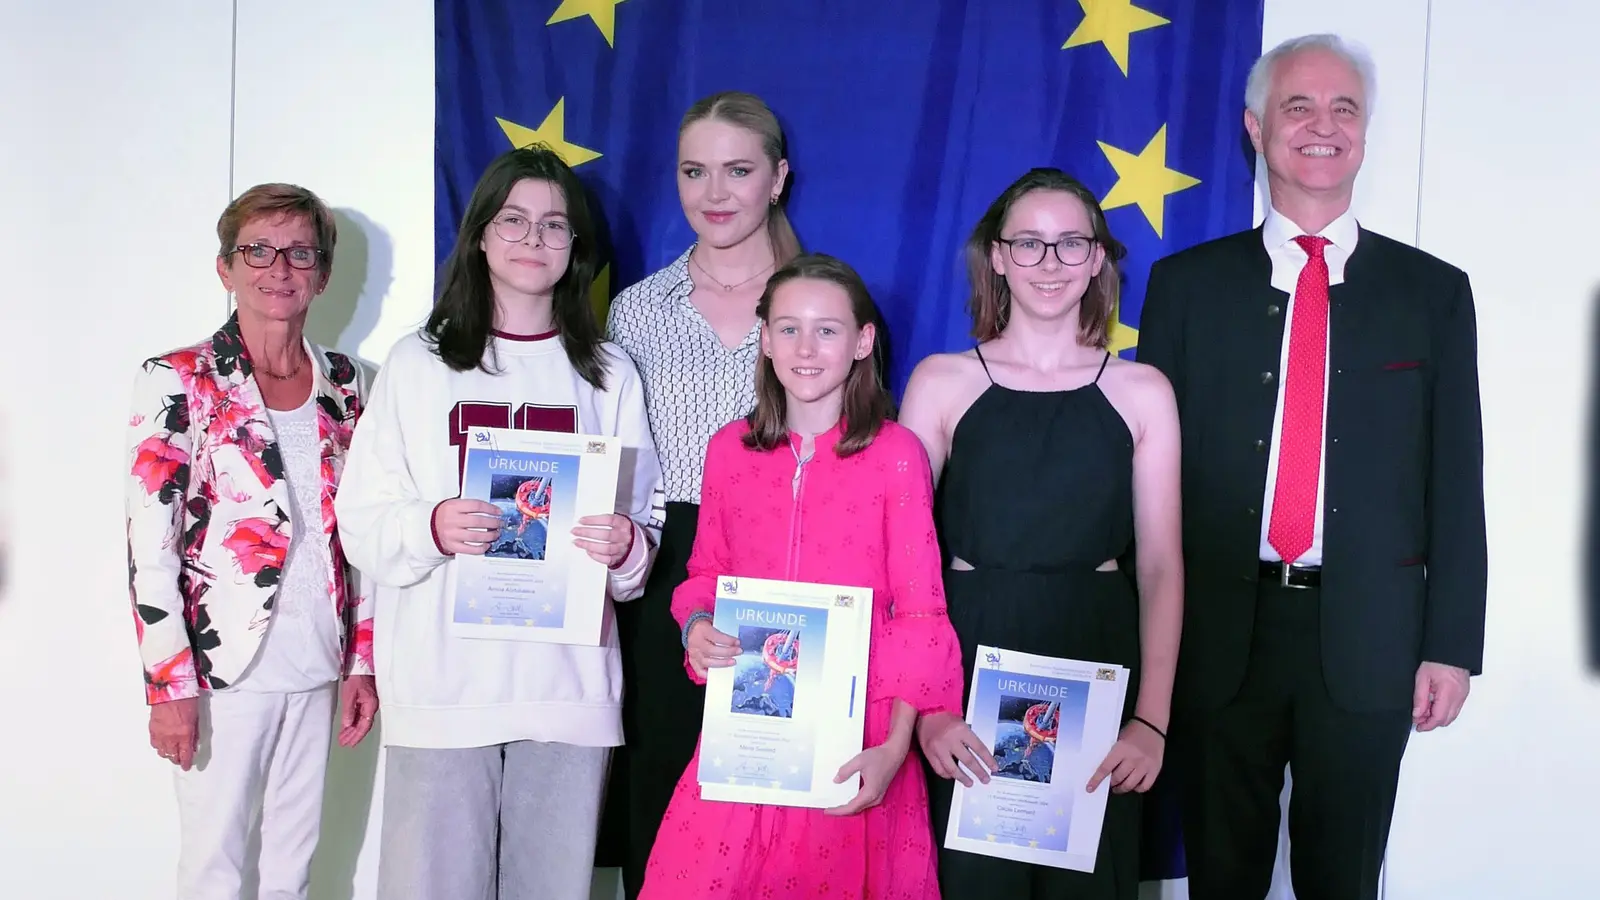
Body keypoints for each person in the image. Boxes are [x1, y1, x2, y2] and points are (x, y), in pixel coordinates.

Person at [1137, 33, 1488, 900]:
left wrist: (1452, 646)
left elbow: (1457, 478)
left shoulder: (1433, 292)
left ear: (1365, 135)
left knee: (1344, 881)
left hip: (1372, 640)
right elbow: (1149, 475)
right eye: (1299, 106)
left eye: (1344, 109)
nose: (1322, 126)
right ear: (1256, 127)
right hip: (1219, 635)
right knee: (1223, 877)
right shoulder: (1186, 285)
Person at [333, 145, 664, 900]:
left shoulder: (608, 372)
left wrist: (627, 548)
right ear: (479, 234)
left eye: (554, 225)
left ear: (576, 247)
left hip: (566, 685)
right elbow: (365, 521)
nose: (533, 239)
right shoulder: (418, 365)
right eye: (513, 220)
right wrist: (435, 525)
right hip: (445, 683)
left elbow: (643, 523)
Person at [637, 253, 964, 899]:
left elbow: (919, 613)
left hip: (859, 735)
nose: (805, 348)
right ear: (764, 338)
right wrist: (698, 626)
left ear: (863, 341)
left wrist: (895, 748)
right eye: (787, 328)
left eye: (827, 329)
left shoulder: (897, 455)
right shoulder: (729, 449)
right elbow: (707, 573)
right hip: (750, 727)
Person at [897, 168, 1183, 898]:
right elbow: (901, 558)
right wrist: (927, 709)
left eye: (1069, 244)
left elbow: (1159, 566)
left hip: (1097, 656)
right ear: (996, 256)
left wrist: (1150, 719)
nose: (1049, 264)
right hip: (966, 657)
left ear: (1097, 258)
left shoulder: (1142, 389)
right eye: (1029, 244)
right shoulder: (941, 382)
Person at [123, 182, 380, 900]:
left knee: (292, 871)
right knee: (215, 867)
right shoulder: (176, 380)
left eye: (300, 252)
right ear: (225, 267)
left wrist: (362, 662)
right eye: (258, 250)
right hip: (219, 671)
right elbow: (152, 547)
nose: (279, 268)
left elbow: (362, 533)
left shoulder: (350, 386)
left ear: (322, 273)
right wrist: (167, 684)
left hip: (317, 659)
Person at [600, 89, 802, 897]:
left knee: (775, 799)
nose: (715, 193)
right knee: (663, 788)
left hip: (792, 566)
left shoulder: (820, 303)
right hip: (664, 568)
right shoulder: (635, 312)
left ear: (777, 179)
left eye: (738, 170)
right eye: (695, 171)